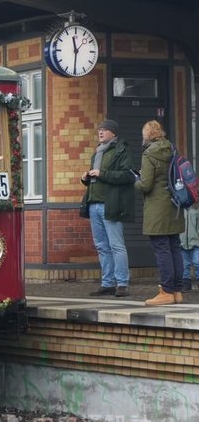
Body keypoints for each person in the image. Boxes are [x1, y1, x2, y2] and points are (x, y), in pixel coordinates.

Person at [79, 119, 136, 297]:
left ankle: (122, 283)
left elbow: (128, 176)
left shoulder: (121, 150)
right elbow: (96, 178)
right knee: (102, 246)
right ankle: (107, 282)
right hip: (94, 204)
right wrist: (86, 178)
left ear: (113, 133)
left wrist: (102, 174)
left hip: (110, 204)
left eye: (104, 130)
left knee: (116, 245)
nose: (100, 132)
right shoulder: (97, 153)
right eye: (99, 130)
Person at [135, 119, 185, 305]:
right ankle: (177, 291)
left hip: (157, 208)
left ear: (147, 135)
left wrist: (135, 181)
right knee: (175, 248)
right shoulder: (171, 149)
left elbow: (146, 185)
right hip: (174, 206)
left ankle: (166, 291)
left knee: (162, 249)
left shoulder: (149, 154)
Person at [180, 202, 199, 292]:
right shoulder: (180, 209)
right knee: (185, 265)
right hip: (183, 243)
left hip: (196, 242)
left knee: (197, 262)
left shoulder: (196, 209)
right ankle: (186, 283)